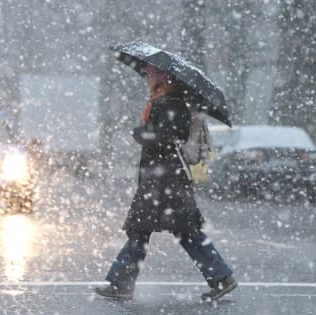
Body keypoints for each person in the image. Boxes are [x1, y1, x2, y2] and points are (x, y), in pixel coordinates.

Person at [95, 64, 237, 301]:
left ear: (164, 77)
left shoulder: (172, 102)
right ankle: (122, 284)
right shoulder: (164, 99)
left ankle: (221, 278)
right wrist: (147, 133)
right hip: (160, 178)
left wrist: (143, 134)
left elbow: (170, 136)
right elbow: (165, 135)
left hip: (167, 179)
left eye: (151, 73)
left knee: (175, 230)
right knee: (148, 231)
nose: (147, 77)